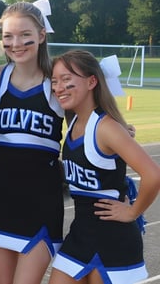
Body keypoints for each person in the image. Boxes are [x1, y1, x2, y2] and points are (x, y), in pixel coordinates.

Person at [48, 50, 160, 284]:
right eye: (55, 81)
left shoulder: (106, 127)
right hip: (80, 235)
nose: (59, 87)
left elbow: (153, 174)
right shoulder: (75, 121)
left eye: (67, 80)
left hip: (113, 242)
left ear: (92, 81)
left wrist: (132, 212)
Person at [0, 0, 66, 284]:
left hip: (42, 202)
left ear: (41, 36)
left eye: (25, 35)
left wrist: (119, 127)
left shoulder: (57, 81)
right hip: (0, 199)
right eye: (8, 36)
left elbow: (91, 119)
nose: (16, 43)